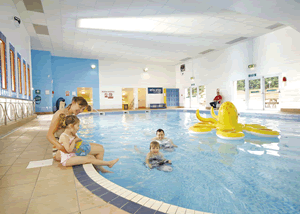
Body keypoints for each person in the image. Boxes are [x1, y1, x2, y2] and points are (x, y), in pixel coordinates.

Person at [47, 96, 111, 173]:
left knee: (99, 148)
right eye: (80, 107)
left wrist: (80, 142)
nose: (80, 110)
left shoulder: (72, 116)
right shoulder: (60, 114)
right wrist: (62, 148)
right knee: (100, 150)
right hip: (60, 151)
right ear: (73, 102)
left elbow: (71, 135)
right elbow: (49, 135)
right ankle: (100, 170)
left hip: (70, 145)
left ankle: (99, 170)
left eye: (83, 109)